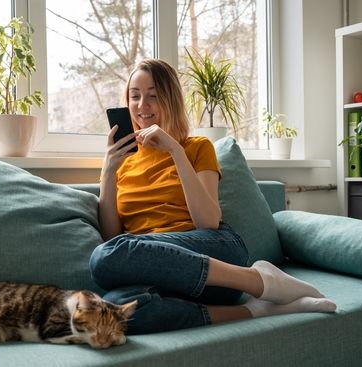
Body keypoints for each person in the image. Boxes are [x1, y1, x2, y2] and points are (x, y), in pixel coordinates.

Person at [89, 59, 336, 334]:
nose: (141, 106)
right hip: (170, 276)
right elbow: (112, 235)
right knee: (117, 309)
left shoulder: (197, 147)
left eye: (153, 96)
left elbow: (207, 220)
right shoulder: (122, 162)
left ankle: (255, 280)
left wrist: (175, 151)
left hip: (215, 250)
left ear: (170, 100)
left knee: (104, 256)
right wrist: (108, 169)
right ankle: (258, 305)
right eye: (134, 96)